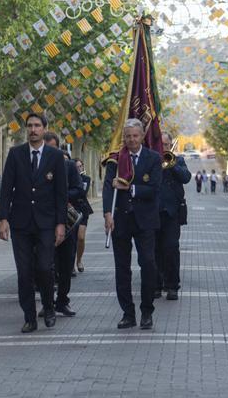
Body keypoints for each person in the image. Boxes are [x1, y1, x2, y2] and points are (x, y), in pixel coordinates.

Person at [0, 113, 67, 333]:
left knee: (44, 268)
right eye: (30, 126)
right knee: (24, 272)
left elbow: (61, 194)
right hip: (20, 223)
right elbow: (6, 189)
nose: (33, 130)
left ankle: (48, 307)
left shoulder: (56, 156)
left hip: (46, 222)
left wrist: (61, 224)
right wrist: (3, 219)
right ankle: (29, 317)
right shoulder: (15, 154)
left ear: (45, 128)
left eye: (37, 126)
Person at [103, 118, 162, 330]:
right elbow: (109, 188)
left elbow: (155, 188)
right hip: (121, 220)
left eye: (135, 135)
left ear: (141, 136)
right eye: (127, 136)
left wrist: (130, 188)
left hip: (145, 220)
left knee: (148, 263)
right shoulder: (116, 159)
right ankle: (128, 313)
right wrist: (107, 213)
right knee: (122, 268)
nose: (131, 139)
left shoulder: (154, 158)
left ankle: (147, 311)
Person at [43, 132, 83, 317]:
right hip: (44, 222)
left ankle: (62, 301)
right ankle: (48, 302)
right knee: (46, 265)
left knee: (66, 264)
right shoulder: (36, 166)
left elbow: (78, 190)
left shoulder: (69, 166)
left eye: (52, 147)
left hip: (67, 222)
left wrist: (63, 196)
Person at [156, 132, 191, 300]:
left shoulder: (179, 160)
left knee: (171, 248)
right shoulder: (151, 159)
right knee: (155, 250)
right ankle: (156, 284)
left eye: (167, 145)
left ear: (171, 145)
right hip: (154, 212)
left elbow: (186, 178)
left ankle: (172, 285)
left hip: (172, 212)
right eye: (161, 145)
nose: (164, 148)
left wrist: (172, 164)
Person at [74, 159, 94, 274]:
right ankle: (70, 264)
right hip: (71, 209)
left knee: (80, 237)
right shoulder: (68, 177)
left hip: (82, 209)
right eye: (76, 167)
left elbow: (82, 192)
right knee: (71, 239)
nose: (79, 168)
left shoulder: (86, 178)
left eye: (80, 166)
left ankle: (79, 260)